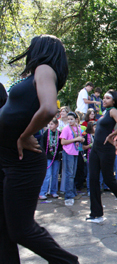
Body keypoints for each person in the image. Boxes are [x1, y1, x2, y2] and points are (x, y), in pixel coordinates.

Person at [0, 34, 78, 263]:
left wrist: (24, 136)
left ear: (41, 50)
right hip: (6, 158)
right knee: (3, 227)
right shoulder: (37, 74)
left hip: (22, 161)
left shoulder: (45, 68)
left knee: (20, 230)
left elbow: (48, 109)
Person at [86, 90, 117, 223]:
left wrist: (111, 136)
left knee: (109, 179)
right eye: (104, 98)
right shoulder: (105, 113)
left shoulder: (113, 111)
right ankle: (95, 213)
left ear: (114, 101)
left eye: (108, 98)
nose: (104, 100)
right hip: (95, 148)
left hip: (106, 149)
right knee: (93, 179)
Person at [60, 112, 85, 205]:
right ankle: (68, 195)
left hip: (75, 151)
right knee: (69, 174)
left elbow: (79, 138)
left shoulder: (78, 128)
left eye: (71, 119)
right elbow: (62, 142)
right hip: (68, 152)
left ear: (76, 119)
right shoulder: (66, 129)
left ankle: (73, 192)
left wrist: (82, 139)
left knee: (73, 174)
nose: (70, 121)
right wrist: (76, 139)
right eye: (68, 119)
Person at [39, 118, 63, 200]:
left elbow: (60, 145)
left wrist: (60, 154)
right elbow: (42, 144)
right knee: (47, 175)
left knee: (55, 174)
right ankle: (42, 192)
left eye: (52, 124)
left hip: (56, 157)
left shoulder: (59, 133)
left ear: (57, 125)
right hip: (48, 156)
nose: (50, 125)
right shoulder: (46, 133)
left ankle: (53, 191)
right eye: (49, 124)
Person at [82, 121, 96, 196]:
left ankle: (96, 189)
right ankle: (89, 190)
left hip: (97, 156)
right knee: (89, 174)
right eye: (94, 127)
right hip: (89, 156)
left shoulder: (98, 135)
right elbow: (83, 147)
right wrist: (90, 145)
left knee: (96, 174)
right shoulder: (86, 136)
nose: (96, 128)